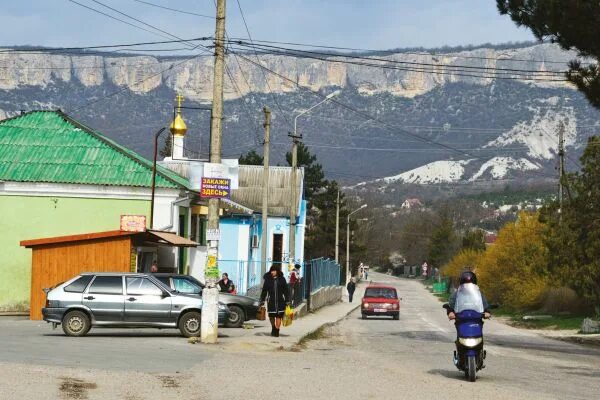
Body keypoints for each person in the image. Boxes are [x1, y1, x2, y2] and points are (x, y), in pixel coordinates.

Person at [260, 265, 290, 337]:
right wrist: (262, 300)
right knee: (272, 316)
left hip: (280, 301)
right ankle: (273, 327)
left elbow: (286, 290)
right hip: (271, 301)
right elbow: (264, 291)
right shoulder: (268, 280)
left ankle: (277, 330)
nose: (272, 272)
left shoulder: (282, 279)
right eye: (271, 271)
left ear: (277, 271)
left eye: (274, 271)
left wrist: (287, 300)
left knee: (279, 316)